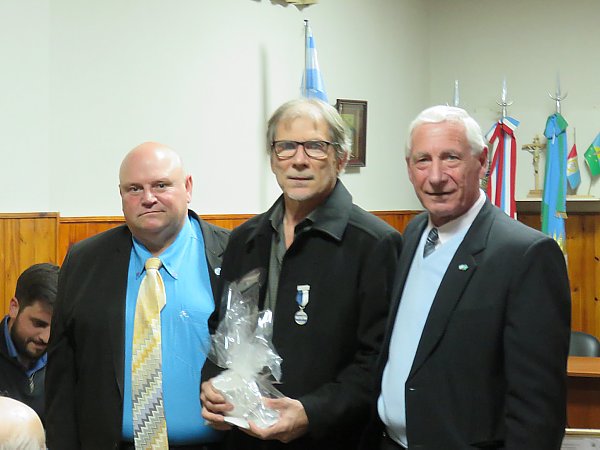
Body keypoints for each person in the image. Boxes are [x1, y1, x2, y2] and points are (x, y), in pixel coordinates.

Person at [362, 105, 571, 450]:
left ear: (483, 161)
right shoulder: (413, 233)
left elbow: (538, 408)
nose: (436, 176)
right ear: (409, 168)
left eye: (451, 158)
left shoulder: (525, 255)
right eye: (423, 160)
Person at [201, 98, 403, 450]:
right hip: (246, 438)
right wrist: (212, 386)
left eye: (315, 146)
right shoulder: (245, 239)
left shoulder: (374, 244)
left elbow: (379, 360)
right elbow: (222, 329)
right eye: (286, 146)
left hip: (333, 440)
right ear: (272, 158)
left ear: (341, 158)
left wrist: (312, 412)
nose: (298, 159)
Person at [45, 142, 230, 449]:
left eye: (161, 185)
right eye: (134, 189)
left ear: (188, 187)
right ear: (121, 195)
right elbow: (61, 378)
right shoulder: (83, 262)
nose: (148, 198)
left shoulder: (234, 254)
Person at [0, 262, 59, 424]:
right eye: (39, 324)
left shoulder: (66, 358)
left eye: (55, 327)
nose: (46, 338)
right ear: (14, 307)